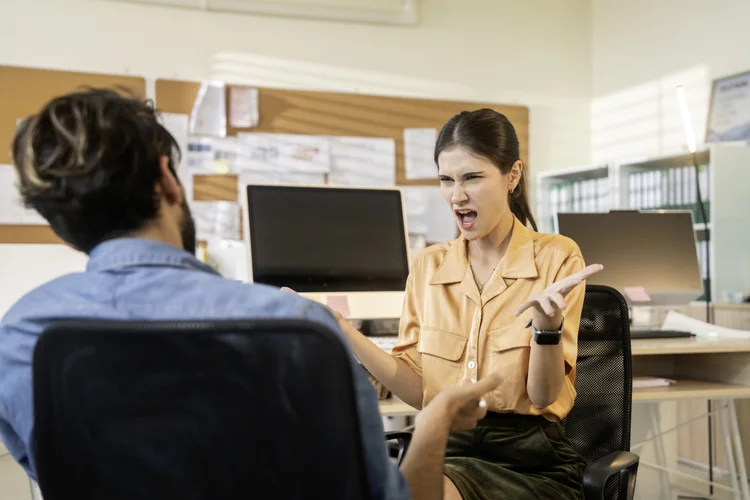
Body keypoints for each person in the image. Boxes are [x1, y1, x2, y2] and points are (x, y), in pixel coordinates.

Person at [0, 88, 503, 500]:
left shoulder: (21, 337)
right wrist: (436, 420)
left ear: (63, 231)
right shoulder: (297, 328)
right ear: (167, 180)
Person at [326, 109, 604, 499]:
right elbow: (420, 390)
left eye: (472, 177)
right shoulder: (428, 265)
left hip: (529, 461)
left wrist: (547, 328)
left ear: (512, 176)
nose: (457, 196)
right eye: (446, 179)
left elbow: (542, 397)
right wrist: (342, 331)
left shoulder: (556, 257)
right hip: (446, 446)